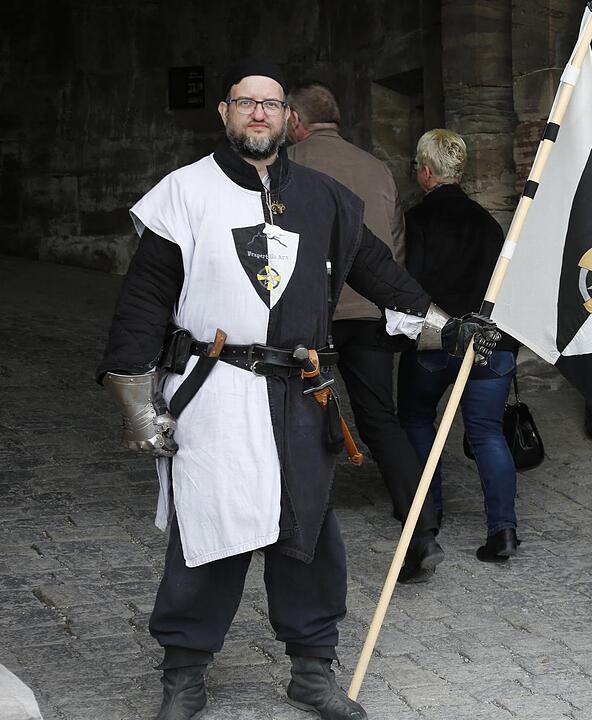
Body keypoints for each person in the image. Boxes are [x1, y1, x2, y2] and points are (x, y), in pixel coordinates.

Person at [96, 60, 499, 720]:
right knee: (210, 530)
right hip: (214, 391)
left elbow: (379, 274)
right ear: (224, 114)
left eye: (271, 104)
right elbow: (143, 302)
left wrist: (446, 327)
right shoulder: (184, 193)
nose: (259, 113)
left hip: (299, 391)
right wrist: (137, 402)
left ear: (289, 119)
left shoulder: (322, 198)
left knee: (306, 532)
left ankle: (311, 669)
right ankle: (185, 672)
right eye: (245, 102)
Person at [286, 80, 443, 584]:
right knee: (381, 419)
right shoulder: (376, 167)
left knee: (296, 415)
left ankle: (296, 528)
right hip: (375, 310)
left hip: (316, 314)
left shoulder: (291, 166)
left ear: (295, 119)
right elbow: (392, 244)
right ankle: (421, 524)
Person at [396, 129, 521, 563]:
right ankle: (503, 531)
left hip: (436, 339)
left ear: (426, 172)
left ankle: (429, 516)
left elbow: (407, 282)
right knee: (487, 433)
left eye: (416, 168)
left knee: (414, 418)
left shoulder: (416, 221)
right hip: (491, 342)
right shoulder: (490, 224)